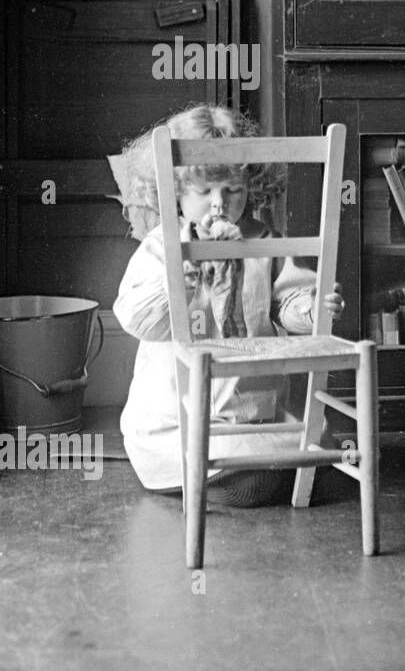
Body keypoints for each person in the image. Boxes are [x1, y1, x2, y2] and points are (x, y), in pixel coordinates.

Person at [113, 104, 344, 507]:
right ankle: (239, 477)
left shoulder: (263, 239)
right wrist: (177, 285)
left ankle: (264, 469)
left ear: (250, 187)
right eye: (203, 192)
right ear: (175, 193)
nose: (219, 204)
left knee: (315, 456)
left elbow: (285, 299)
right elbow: (138, 320)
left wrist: (310, 309)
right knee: (253, 486)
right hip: (178, 420)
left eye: (233, 190)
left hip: (252, 413)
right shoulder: (160, 247)